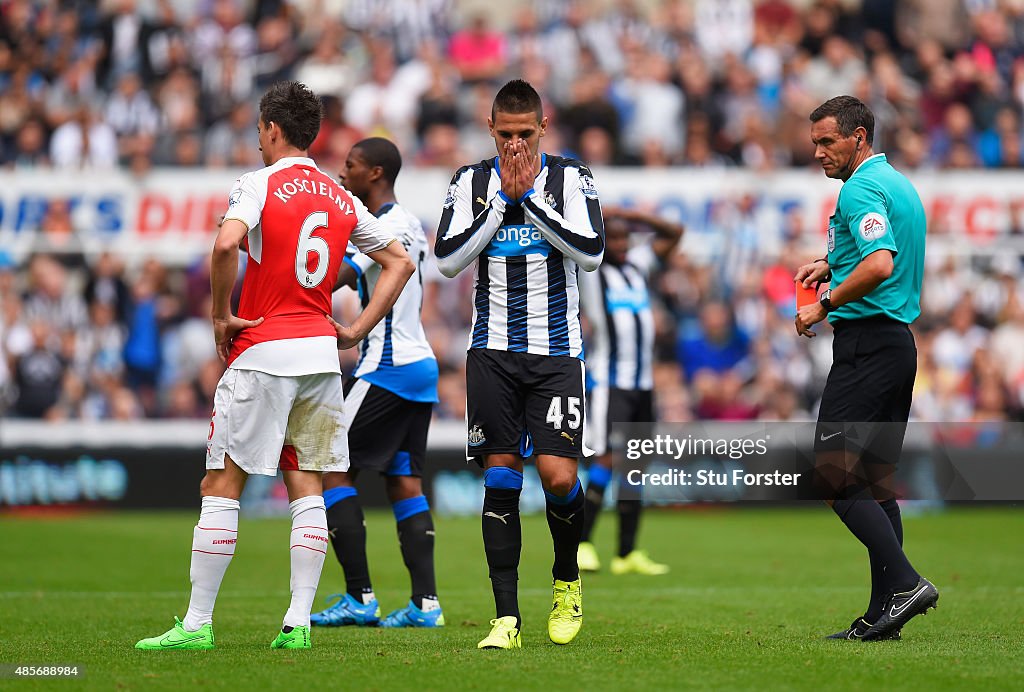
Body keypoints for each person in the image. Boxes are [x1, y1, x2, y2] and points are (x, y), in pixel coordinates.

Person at [135, 81, 414, 651]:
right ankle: (298, 624)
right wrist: (356, 329)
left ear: (271, 129)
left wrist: (220, 315)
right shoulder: (342, 199)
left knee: (222, 483)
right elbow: (399, 261)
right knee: (307, 486)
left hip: (262, 352)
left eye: (259, 131)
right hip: (319, 358)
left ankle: (196, 625)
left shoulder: (258, 183)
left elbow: (223, 246)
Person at [434, 79, 605, 650]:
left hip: (556, 354)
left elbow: (591, 253)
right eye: (504, 134)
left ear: (543, 127)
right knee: (501, 477)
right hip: (493, 353)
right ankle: (505, 617)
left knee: (558, 477)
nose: (513, 145)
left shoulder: (572, 177)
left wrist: (529, 197)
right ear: (490, 128)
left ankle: (566, 580)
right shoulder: (469, 181)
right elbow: (449, 261)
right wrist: (503, 201)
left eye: (524, 134)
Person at [795, 95, 937, 642]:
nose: (819, 152)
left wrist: (824, 301)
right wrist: (831, 258)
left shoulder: (858, 189)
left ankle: (904, 583)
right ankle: (885, 613)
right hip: (896, 345)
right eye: (815, 143)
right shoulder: (896, 183)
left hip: (866, 347)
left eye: (828, 141)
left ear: (858, 137)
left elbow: (880, 262)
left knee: (833, 477)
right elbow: (879, 242)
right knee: (875, 485)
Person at [309, 137, 444, 629]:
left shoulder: (381, 228)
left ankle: (359, 599)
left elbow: (337, 276)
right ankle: (426, 605)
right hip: (419, 366)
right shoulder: (410, 224)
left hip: (385, 367)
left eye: (351, 166)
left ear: (376, 173)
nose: (343, 173)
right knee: (403, 480)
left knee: (332, 468)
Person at [577, 206, 682, 576]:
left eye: (625, 238)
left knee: (635, 465)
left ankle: (626, 553)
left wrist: (633, 215)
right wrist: (604, 218)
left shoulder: (638, 266)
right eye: (614, 238)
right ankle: (582, 544)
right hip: (610, 381)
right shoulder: (590, 271)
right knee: (605, 459)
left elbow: (674, 231)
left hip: (643, 383)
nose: (621, 245)